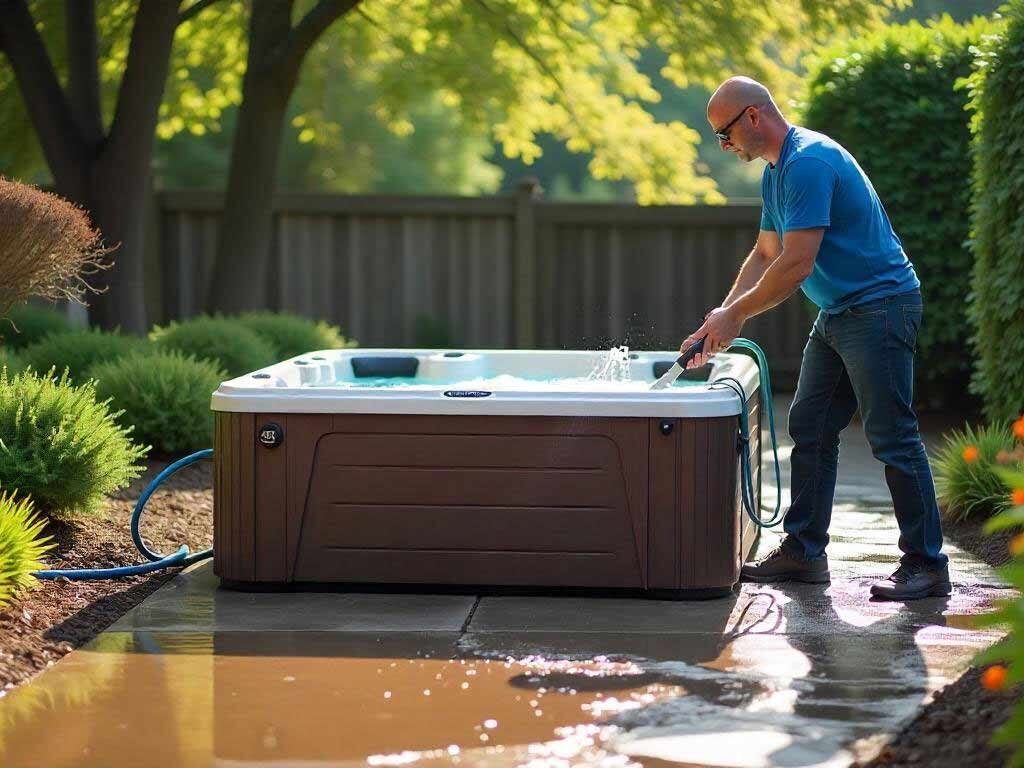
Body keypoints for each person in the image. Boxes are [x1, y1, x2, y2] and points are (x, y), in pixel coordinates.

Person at [678, 76, 950, 601]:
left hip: (880, 307)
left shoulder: (809, 162)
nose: (724, 145)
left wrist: (735, 316)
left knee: (892, 435)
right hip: (839, 312)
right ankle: (804, 553)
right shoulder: (776, 175)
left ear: (753, 117)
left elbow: (797, 263)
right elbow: (765, 253)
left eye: (724, 133)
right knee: (810, 425)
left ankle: (927, 563)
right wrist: (723, 314)